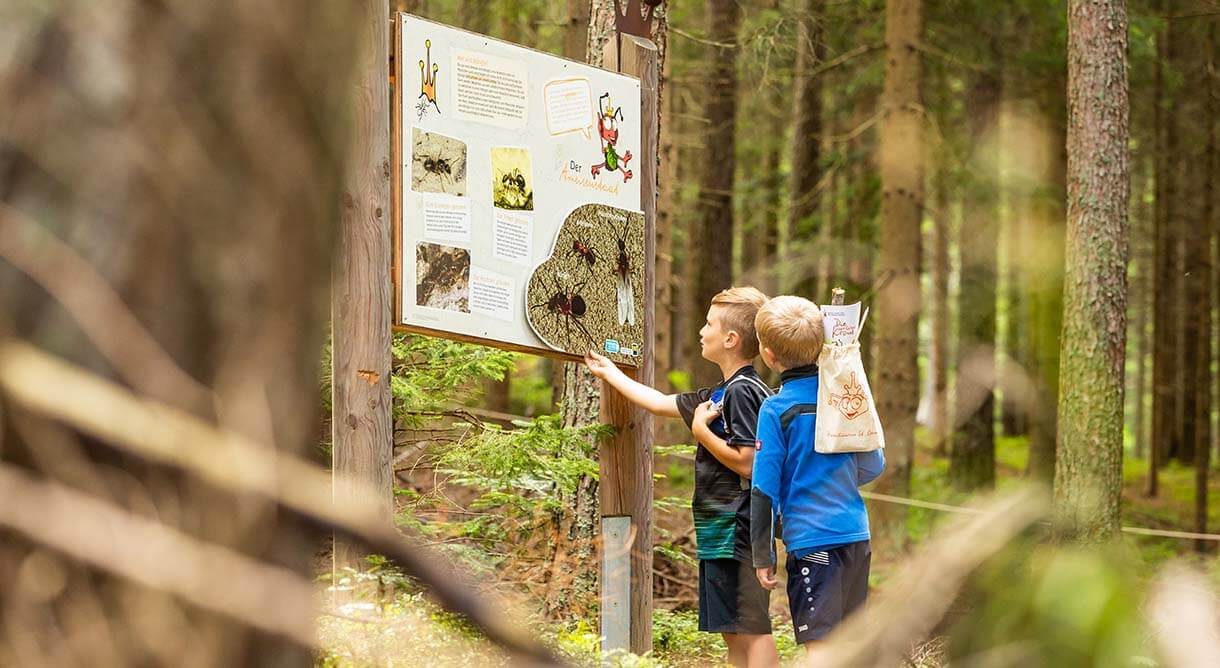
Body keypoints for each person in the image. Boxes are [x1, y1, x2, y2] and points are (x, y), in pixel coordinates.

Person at [585, 286, 778, 668]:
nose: (700, 332)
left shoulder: (743, 392)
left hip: (737, 527)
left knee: (753, 627)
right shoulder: (725, 392)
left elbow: (748, 463)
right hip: (719, 530)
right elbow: (660, 402)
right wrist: (609, 372)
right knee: (732, 628)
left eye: (708, 324)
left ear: (730, 339)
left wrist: (702, 433)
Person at [749, 295, 886, 650]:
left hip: (814, 544)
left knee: (821, 647)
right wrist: (834, 479)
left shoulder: (776, 409)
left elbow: (764, 489)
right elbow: (875, 464)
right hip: (857, 536)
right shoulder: (844, 396)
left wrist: (763, 555)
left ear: (769, 355)